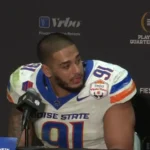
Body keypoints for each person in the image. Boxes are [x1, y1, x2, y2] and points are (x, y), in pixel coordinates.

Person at [7, 32, 136, 149]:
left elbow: (119, 147)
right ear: (47, 70)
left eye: (78, 60)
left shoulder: (110, 82)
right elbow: (19, 144)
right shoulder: (24, 83)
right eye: (66, 66)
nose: (77, 71)